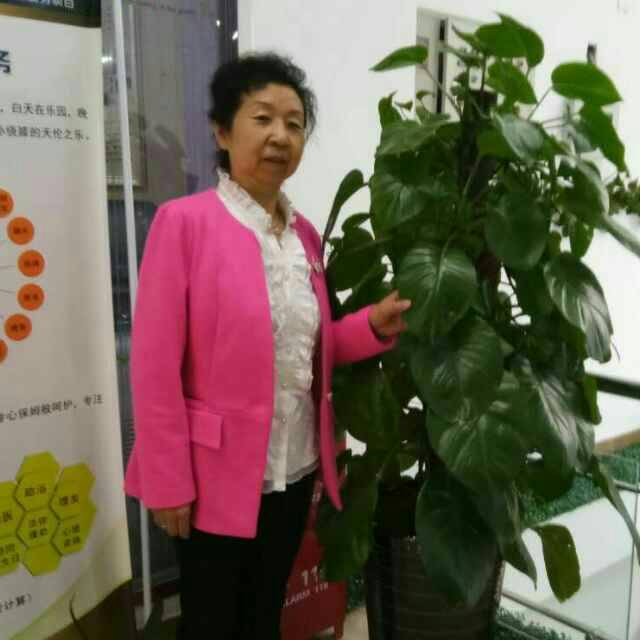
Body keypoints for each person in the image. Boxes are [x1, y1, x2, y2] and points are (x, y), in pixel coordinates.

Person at [124, 52, 411, 639]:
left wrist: (373, 327)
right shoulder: (184, 224)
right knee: (209, 624)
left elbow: (308, 348)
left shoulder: (305, 237)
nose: (280, 135)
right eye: (262, 118)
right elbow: (153, 368)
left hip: (292, 467)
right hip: (209, 476)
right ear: (222, 131)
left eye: (294, 123)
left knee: (262, 618)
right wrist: (167, 481)